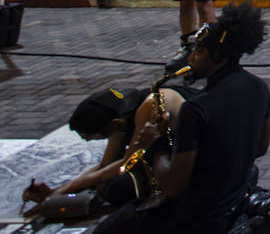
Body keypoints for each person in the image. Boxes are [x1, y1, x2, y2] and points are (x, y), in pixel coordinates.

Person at [95, 1, 270, 234]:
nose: (190, 59)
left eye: (198, 51)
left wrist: (155, 145)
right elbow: (261, 147)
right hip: (233, 201)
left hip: (198, 220)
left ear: (217, 55)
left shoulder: (196, 108)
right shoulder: (259, 86)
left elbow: (173, 188)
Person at [23, 82, 195, 205]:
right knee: (107, 182)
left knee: (118, 188)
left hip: (198, 152)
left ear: (114, 124)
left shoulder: (149, 107)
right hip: (171, 148)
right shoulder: (120, 113)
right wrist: (57, 190)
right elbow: (107, 164)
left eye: (93, 137)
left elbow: (127, 164)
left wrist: (64, 191)